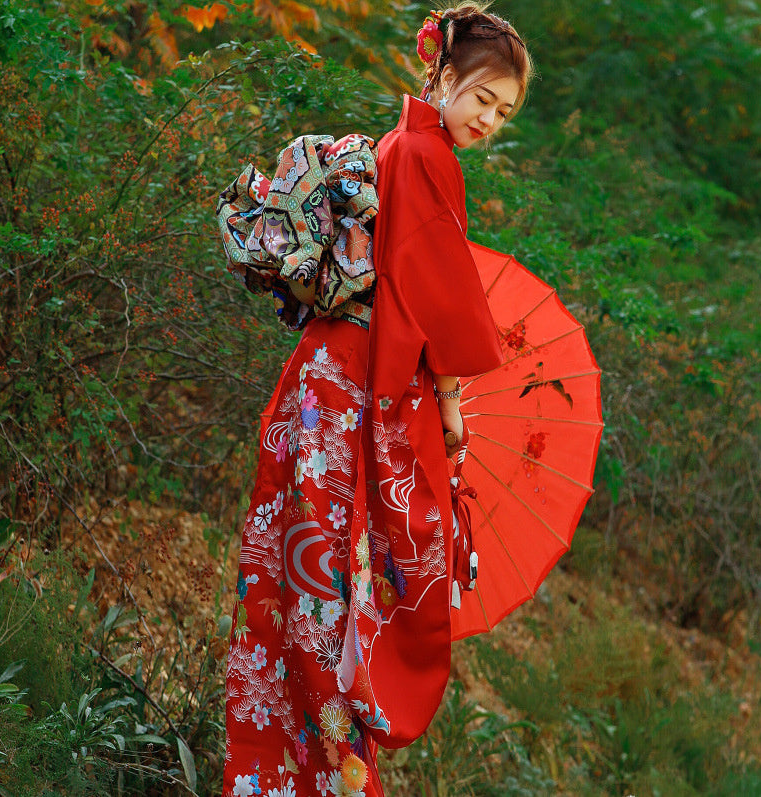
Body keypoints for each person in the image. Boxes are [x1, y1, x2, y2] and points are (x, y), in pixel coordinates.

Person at [218, 4, 532, 795]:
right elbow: (436, 296)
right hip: (355, 384)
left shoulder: (396, 146)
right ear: (446, 77)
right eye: (483, 99)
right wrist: (453, 402)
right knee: (338, 586)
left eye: (504, 113)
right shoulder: (424, 154)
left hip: (322, 377)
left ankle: (275, 771)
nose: (489, 120)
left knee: (305, 572)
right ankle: (327, 779)